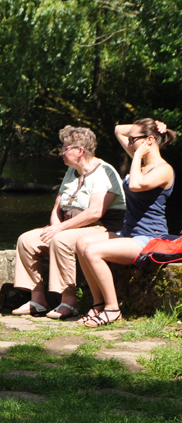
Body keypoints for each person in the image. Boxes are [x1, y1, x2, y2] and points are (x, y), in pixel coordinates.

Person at [11, 126, 126, 319]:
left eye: (65, 148)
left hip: (102, 228)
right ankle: (38, 299)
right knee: (27, 240)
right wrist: (56, 225)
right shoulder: (71, 172)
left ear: (79, 151)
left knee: (62, 240)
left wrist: (60, 229)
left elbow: (96, 212)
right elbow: (58, 205)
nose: (61, 153)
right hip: (69, 226)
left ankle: (69, 301)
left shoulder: (104, 172)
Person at [76, 119, 177, 327]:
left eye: (133, 140)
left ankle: (112, 309)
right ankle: (97, 305)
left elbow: (136, 184)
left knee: (93, 251)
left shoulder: (163, 169)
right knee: (81, 243)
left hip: (150, 237)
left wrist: (139, 153)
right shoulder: (140, 162)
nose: (129, 144)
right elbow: (117, 129)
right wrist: (153, 124)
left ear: (149, 141)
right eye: (129, 140)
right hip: (129, 233)